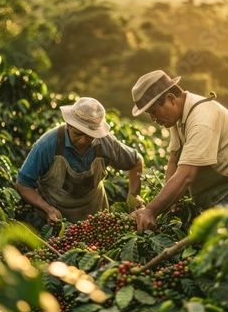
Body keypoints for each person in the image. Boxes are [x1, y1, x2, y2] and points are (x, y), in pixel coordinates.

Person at [130, 70, 228, 233]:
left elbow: (186, 175)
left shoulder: (201, 120)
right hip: (220, 189)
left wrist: (151, 210)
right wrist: (170, 201)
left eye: (154, 112)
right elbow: (173, 160)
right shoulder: (178, 117)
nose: (153, 119)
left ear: (171, 99)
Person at [16, 97, 144, 226]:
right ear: (69, 125)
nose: (83, 140)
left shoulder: (105, 143)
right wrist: (47, 209)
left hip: (95, 219)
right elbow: (23, 184)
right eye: (78, 134)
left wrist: (133, 196)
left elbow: (136, 162)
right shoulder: (48, 144)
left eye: (89, 136)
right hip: (55, 221)